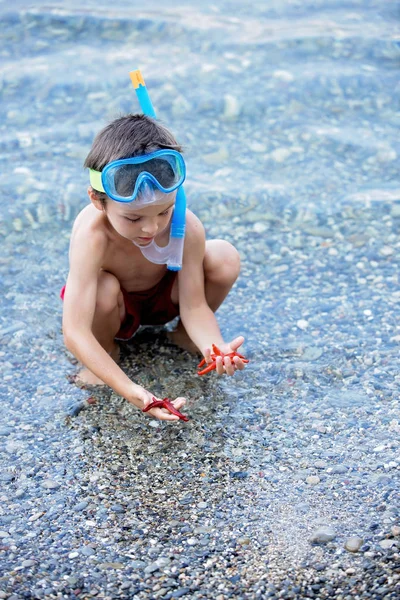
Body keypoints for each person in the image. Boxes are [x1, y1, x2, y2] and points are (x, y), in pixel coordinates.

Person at [62, 113, 247, 421]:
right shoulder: (92, 235)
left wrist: (216, 348)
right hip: (114, 309)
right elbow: (75, 331)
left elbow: (195, 304)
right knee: (102, 290)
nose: (151, 228)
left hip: (164, 299)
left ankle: (185, 337)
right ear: (97, 200)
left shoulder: (185, 226)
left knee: (224, 256)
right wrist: (131, 390)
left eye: (164, 211)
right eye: (134, 218)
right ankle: (106, 355)